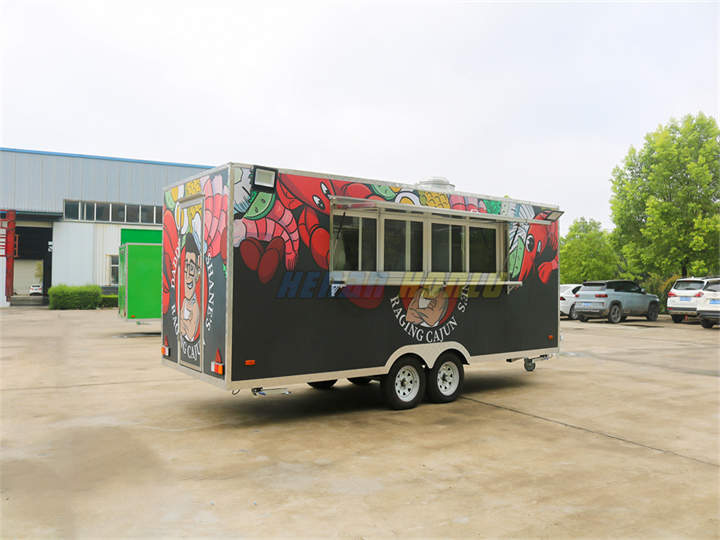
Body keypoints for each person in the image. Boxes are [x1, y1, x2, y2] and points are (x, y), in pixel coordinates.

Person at [180, 234, 201, 341]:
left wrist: (183, 321)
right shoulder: (184, 302)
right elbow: (182, 329)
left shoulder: (195, 307)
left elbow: (191, 332)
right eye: (186, 267)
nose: (187, 275)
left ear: (198, 274)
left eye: (192, 268)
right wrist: (186, 323)